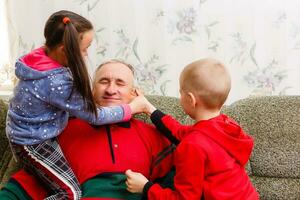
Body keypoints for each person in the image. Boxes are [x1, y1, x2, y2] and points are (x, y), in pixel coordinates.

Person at [5, 11, 143, 200]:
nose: (86, 55)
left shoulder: (37, 58)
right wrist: (132, 108)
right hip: (32, 141)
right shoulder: (58, 83)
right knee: (70, 194)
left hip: (25, 128)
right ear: (64, 50)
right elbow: (96, 115)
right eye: (85, 49)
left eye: (120, 83)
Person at [0, 59, 175, 199]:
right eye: (104, 81)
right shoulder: (63, 130)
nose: (111, 89)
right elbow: (31, 181)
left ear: (135, 94)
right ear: (91, 92)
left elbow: (181, 184)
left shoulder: (153, 134)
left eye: (120, 83)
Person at [125, 58, 259, 199]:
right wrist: (149, 108)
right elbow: (179, 132)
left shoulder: (192, 145)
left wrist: (146, 187)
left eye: (180, 92)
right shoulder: (225, 125)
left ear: (190, 99)